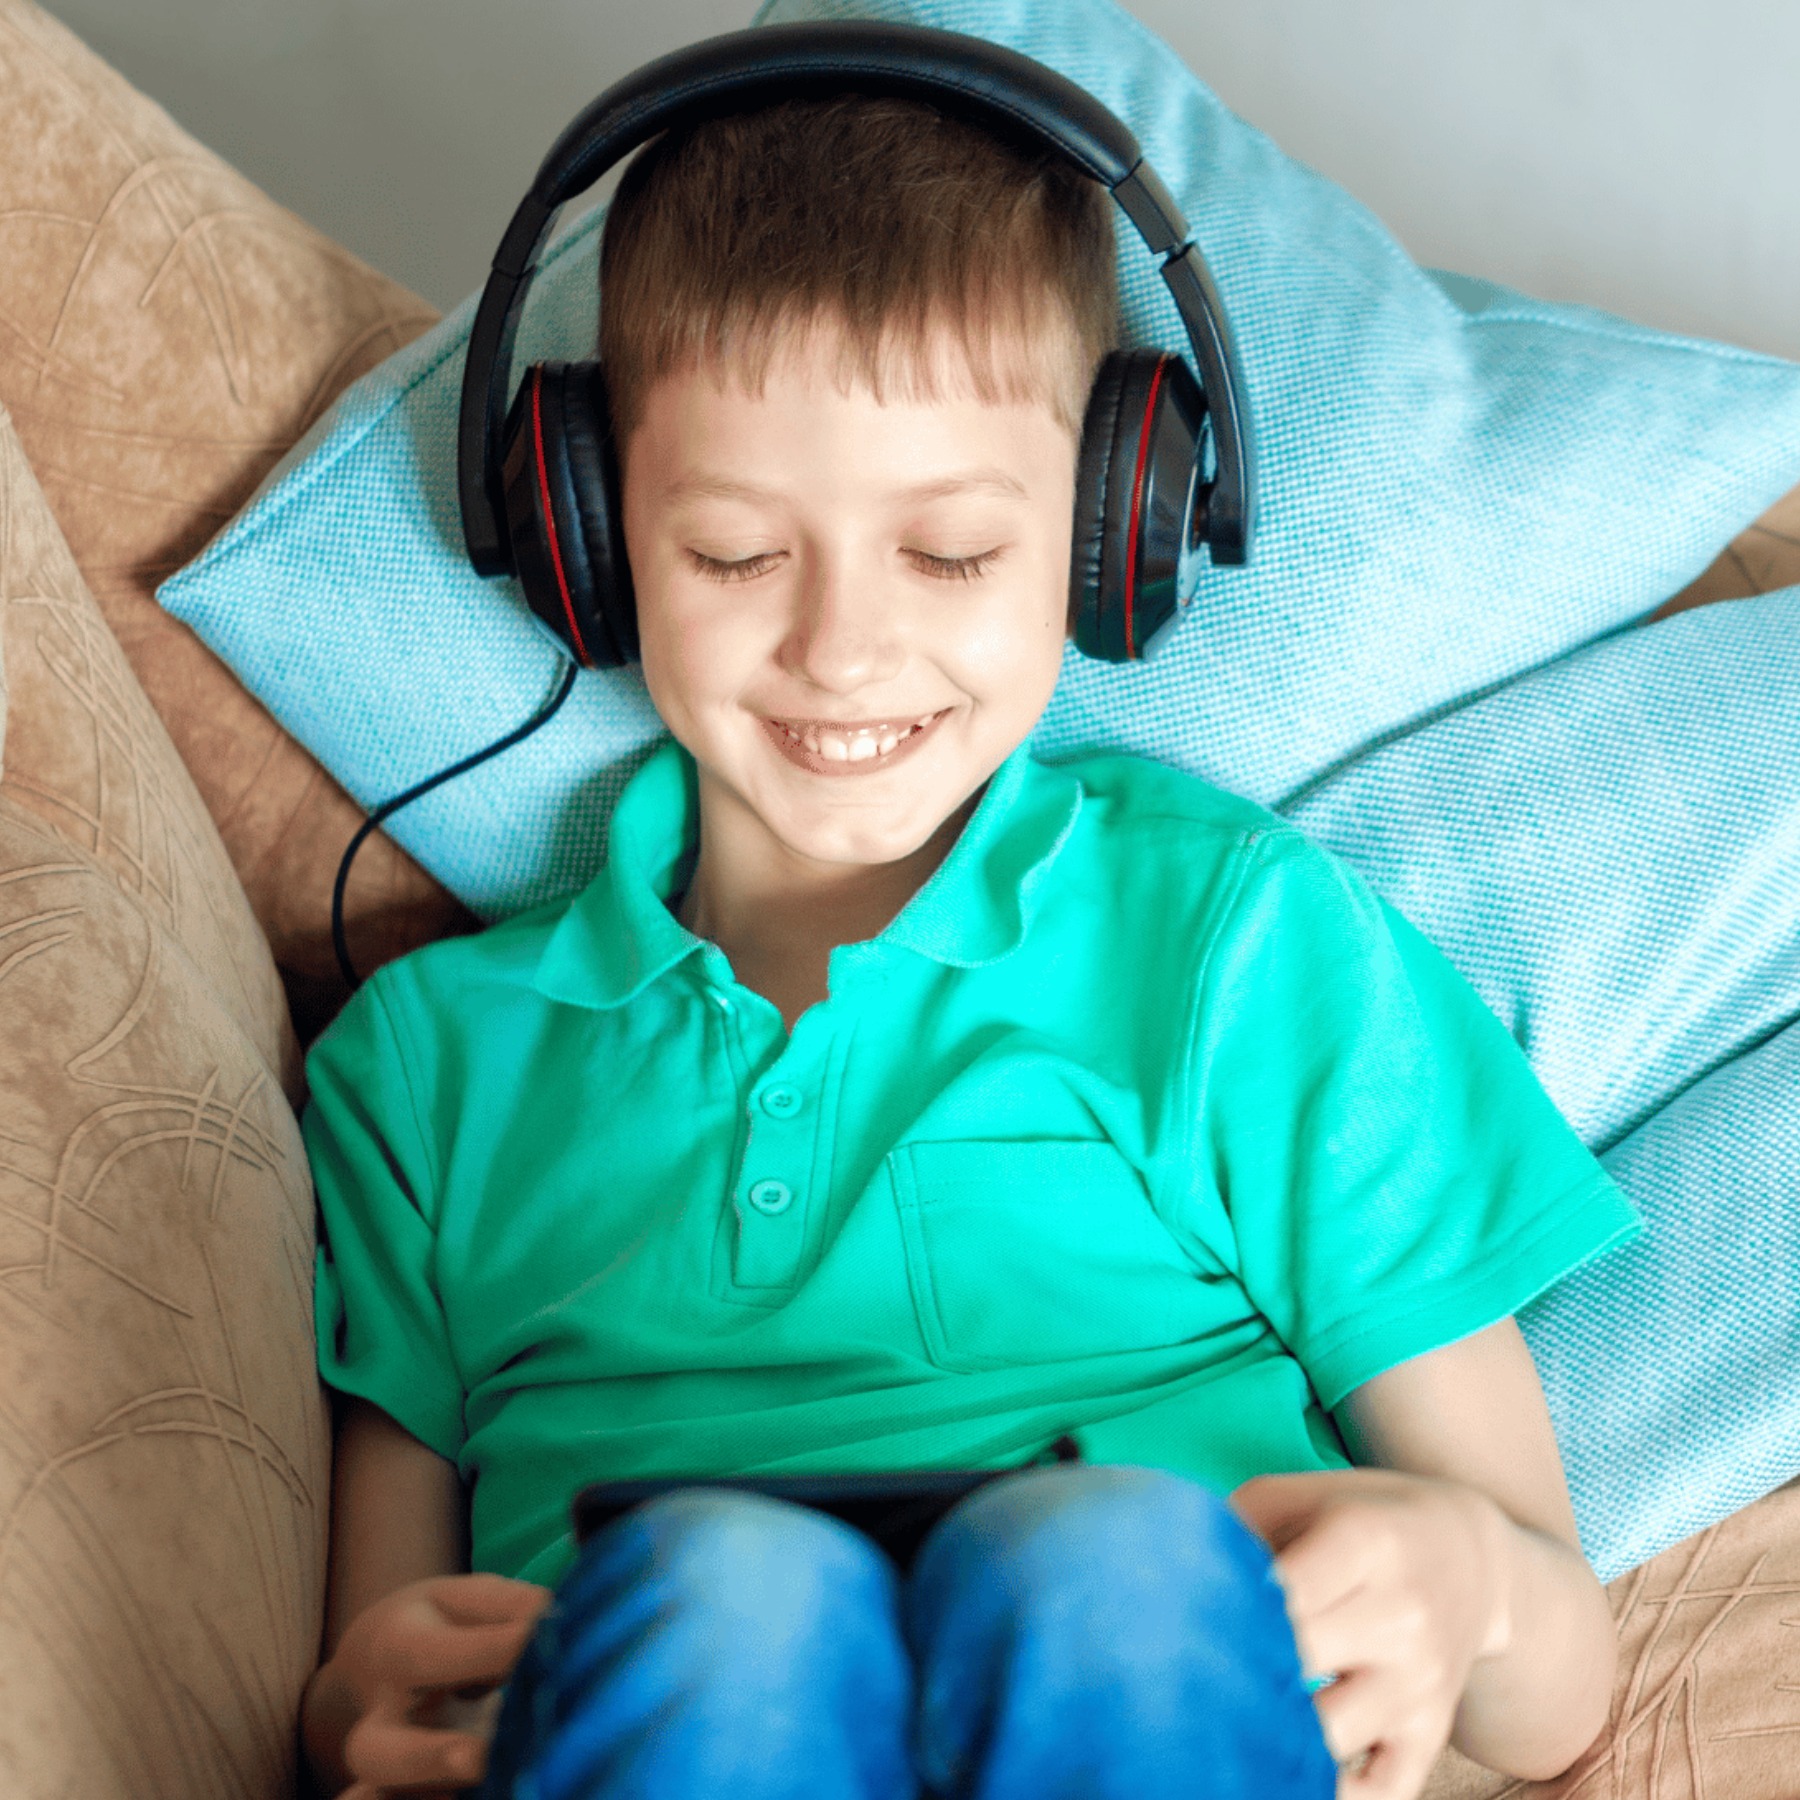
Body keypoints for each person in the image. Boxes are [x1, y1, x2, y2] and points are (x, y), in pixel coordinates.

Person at [297, 81, 1641, 1800]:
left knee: (1106, 1570)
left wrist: (1469, 1589)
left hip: (1149, 1689)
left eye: (949, 550)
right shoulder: (425, 1070)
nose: (843, 651)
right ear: (585, 536)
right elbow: (377, 1663)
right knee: (723, 1604)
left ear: (1108, 531)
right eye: (734, 550)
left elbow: (1552, 1695)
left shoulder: (1230, 946)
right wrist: (359, 1703)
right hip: (668, 1722)